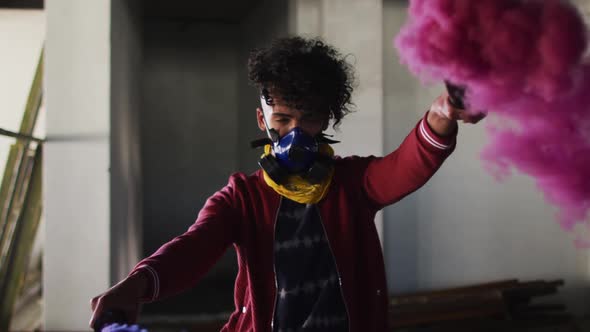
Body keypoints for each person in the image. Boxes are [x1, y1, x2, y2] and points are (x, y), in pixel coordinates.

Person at [90, 36, 483, 332]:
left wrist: (440, 115)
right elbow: (192, 250)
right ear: (263, 122)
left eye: (309, 118)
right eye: (282, 120)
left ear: (326, 119)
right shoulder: (241, 200)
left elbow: (406, 166)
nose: (296, 132)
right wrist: (137, 285)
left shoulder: (352, 184)